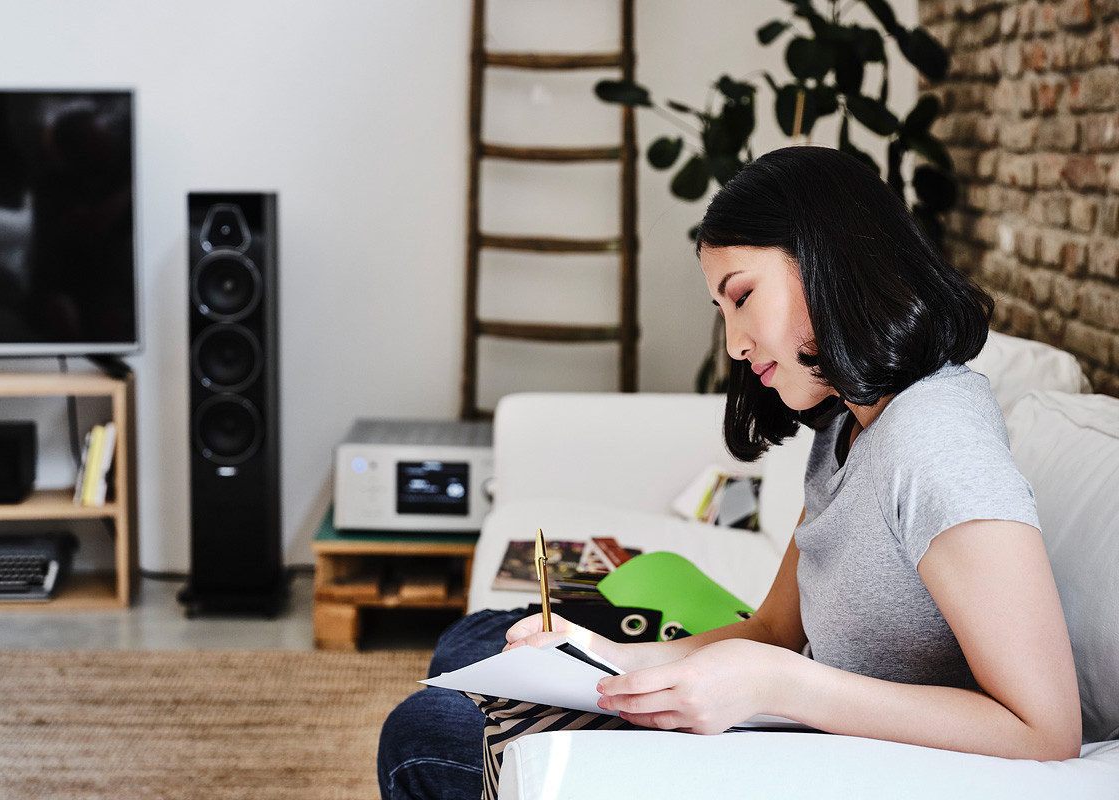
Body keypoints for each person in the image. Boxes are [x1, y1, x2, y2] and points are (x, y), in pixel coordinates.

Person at [378, 145, 1081, 800]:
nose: (736, 345)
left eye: (742, 297)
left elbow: (1045, 730)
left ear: (830, 260)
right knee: (481, 637)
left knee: (423, 736)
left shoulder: (935, 438)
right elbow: (775, 629)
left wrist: (788, 688)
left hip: (843, 752)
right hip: (801, 714)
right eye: (722, 310)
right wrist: (612, 656)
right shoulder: (852, 421)